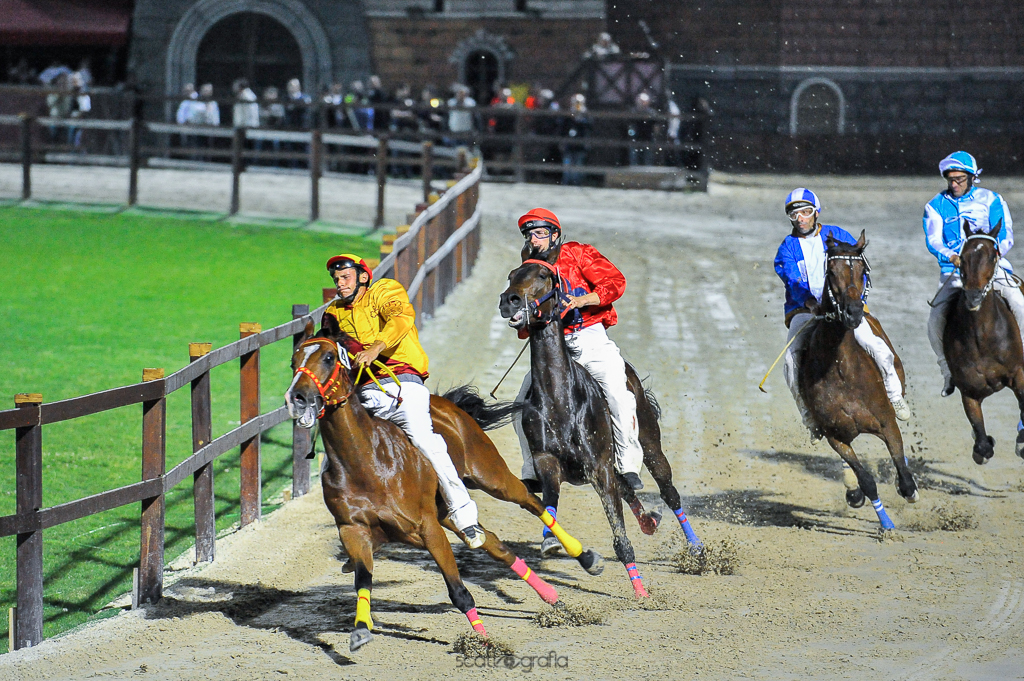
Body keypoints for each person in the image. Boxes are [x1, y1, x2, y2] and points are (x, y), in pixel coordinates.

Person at [320, 254, 486, 548]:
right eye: (336, 279)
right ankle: (357, 533)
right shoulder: (333, 313)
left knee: (425, 440)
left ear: (362, 276)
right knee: (334, 460)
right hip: (365, 394)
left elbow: (400, 320)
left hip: (403, 386)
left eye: (345, 277)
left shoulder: (385, 291)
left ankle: (464, 515)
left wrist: (376, 348)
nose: (339, 283)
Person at [512, 208, 646, 491]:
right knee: (521, 405)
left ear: (555, 235)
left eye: (539, 233)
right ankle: (531, 468)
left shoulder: (578, 253)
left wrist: (584, 299)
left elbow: (616, 282)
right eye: (529, 235)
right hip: (553, 345)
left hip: (589, 337)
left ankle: (628, 463)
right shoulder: (530, 264)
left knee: (618, 395)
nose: (534, 240)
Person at [774, 188, 910, 438]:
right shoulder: (787, 249)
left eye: (806, 212)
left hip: (844, 307)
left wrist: (856, 300)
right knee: (791, 360)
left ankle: (894, 395)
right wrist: (809, 301)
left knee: (874, 344)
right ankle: (808, 416)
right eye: (795, 215)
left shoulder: (838, 235)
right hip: (805, 311)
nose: (801, 218)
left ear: (816, 212)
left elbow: (859, 270)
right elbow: (792, 280)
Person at [924, 151, 1024, 396]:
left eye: (959, 179)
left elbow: (1005, 235)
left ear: (971, 177)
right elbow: (933, 240)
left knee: (1019, 304)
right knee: (935, 320)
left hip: (992, 268)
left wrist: (990, 257)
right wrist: (952, 256)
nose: (954, 184)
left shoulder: (992, 200)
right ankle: (947, 371)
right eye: (950, 179)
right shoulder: (934, 205)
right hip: (955, 271)